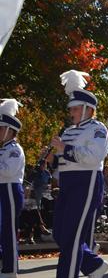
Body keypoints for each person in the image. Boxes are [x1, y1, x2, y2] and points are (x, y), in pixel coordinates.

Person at [50, 70, 108, 277]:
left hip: (87, 181)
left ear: (88, 109)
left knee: (72, 236)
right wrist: (53, 160)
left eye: (75, 108)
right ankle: (93, 265)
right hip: (67, 183)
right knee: (59, 233)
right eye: (71, 108)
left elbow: (94, 156)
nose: (71, 112)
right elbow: (63, 161)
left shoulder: (97, 129)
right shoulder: (67, 131)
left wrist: (64, 150)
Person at [0, 99, 25, 276]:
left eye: (1, 128)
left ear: (10, 130)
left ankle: (11, 269)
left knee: (9, 231)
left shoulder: (15, 149)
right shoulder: (3, 149)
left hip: (10, 189)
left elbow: (8, 171)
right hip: (3, 189)